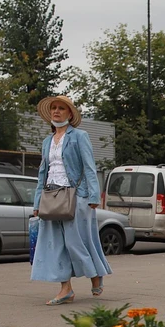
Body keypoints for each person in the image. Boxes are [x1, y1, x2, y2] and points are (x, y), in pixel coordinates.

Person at [31, 95, 111, 305]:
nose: (56, 111)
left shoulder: (79, 136)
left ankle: (95, 274)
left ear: (70, 114)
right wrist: (37, 202)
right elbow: (43, 173)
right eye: (54, 108)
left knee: (76, 242)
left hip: (76, 196)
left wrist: (93, 196)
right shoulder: (47, 141)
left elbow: (89, 167)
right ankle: (65, 289)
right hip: (52, 197)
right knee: (56, 245)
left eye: (61, 108)